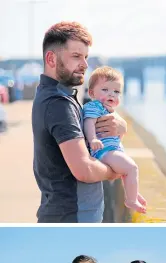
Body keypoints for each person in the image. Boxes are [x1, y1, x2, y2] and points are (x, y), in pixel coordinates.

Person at [33, 22, 125, 223]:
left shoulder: (57, 95)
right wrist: (114, 171)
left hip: (68, 214)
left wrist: (121, 125)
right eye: (76, 56)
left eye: (85, 57)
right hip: (72, 216)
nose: (84, 64)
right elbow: (84, 169)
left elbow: (98, 119)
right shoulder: (58, 103)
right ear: (51, 58)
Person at [83, 66, 146, 214]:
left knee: (127, 171)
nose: (111, 94)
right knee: (132, 168)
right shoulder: (95, 106)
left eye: (116, 92)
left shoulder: (108, 109)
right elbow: (89, 122)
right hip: (103, 151)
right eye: (105, 90)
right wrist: (92, 139)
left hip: (111, 149)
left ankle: (132, 193)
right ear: (92, 93)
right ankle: (130, 201)